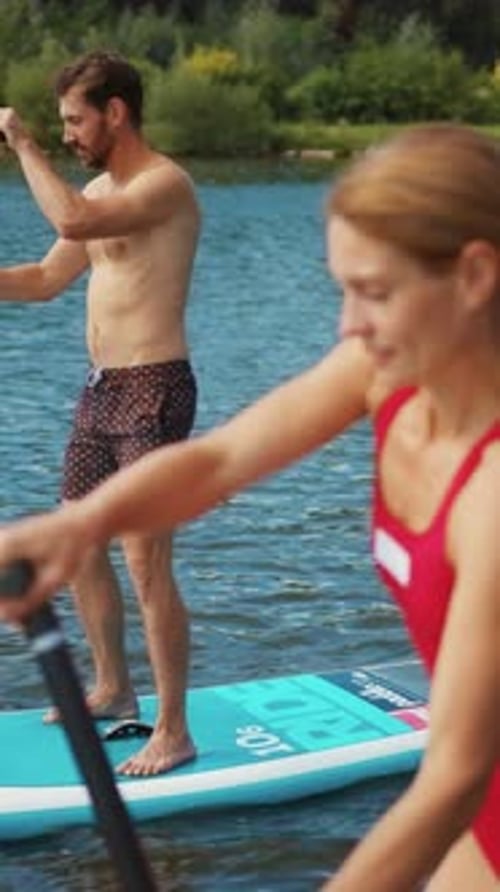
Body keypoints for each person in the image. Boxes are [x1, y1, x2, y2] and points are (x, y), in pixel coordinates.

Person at [0, 122, 498, 890]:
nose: (347, 325)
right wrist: (81, 523)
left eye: (374, 293)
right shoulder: (385, 367)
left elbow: (453, 777)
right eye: (342, 289)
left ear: (473, 277)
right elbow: (220, 459)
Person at [0, 50, 201, 776]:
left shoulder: (163, 185)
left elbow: (73, 220)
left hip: (155, 386)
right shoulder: (100, 187)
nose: (68, 135)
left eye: (75, 120)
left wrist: (20, 141)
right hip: (101, 389)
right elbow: (47, 277)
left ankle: (173, 728)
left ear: (115, 112)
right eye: (56, 125)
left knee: (147, 563)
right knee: (78, 538)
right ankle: (114, 687)